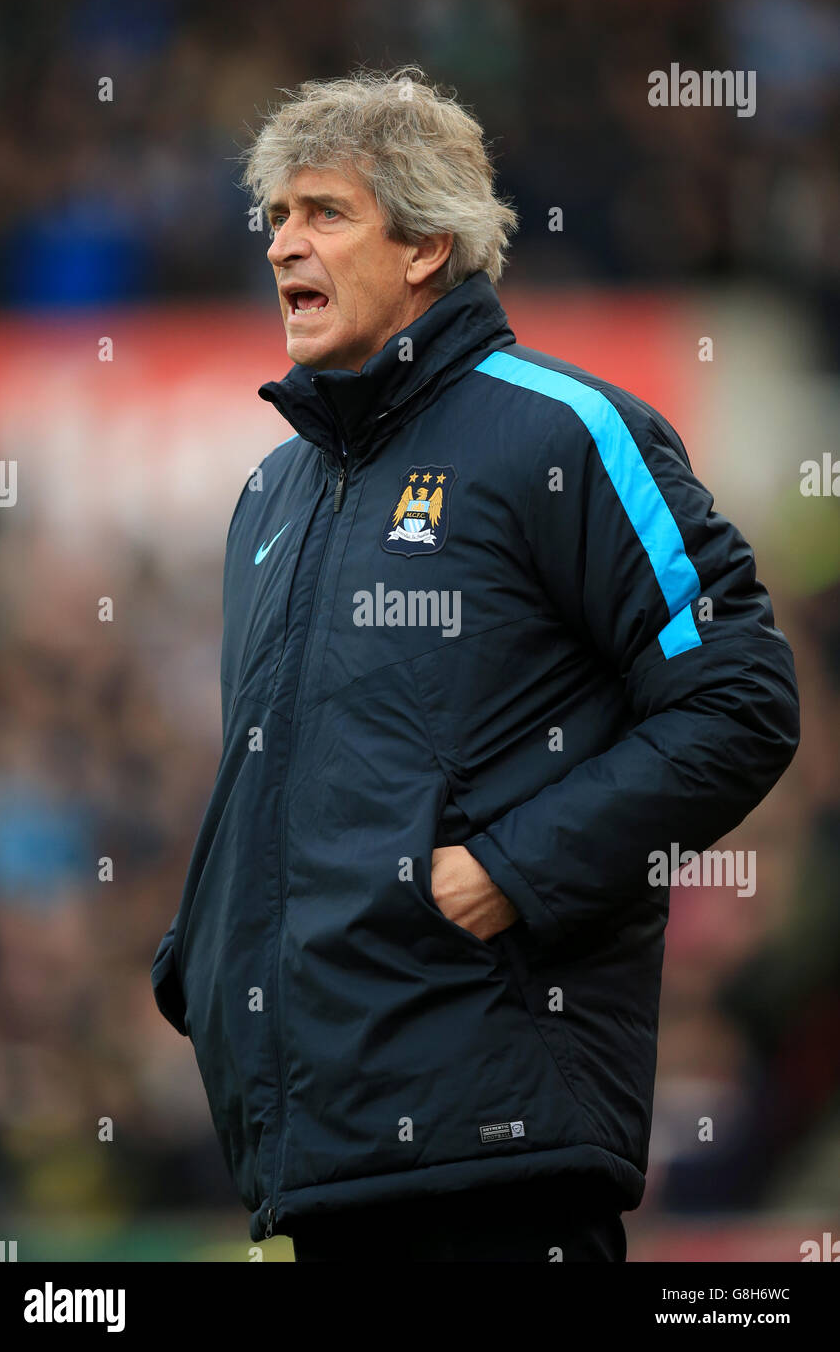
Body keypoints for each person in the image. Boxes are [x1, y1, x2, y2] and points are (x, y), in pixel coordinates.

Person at [151, 66, 800, 1263]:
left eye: (323, 212)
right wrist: (205, 948)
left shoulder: (562, 431)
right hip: (320, 1156)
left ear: (426, 245)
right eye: (274, 218)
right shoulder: (271, 493)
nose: (282, 243)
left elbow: (738, 699)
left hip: (500, 1146)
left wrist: (508, 869)